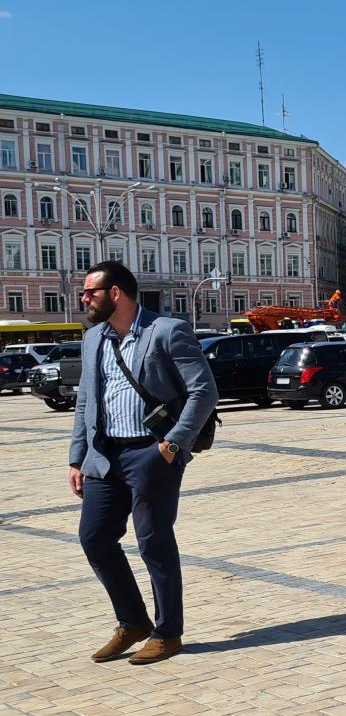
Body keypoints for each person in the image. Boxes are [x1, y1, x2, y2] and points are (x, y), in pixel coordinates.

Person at [69, 261, 218, 666]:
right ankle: (132, 621)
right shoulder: (93, 337)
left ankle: (168, 632)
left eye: (90, 292)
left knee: (153, 542)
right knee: (95, 538)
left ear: (115, 293)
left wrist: (171, 445)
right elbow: (86, 401)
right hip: (105, 455)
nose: (84, 298)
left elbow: (203, 391)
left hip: (151, 453)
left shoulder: (166, 331)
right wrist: (77, 457)